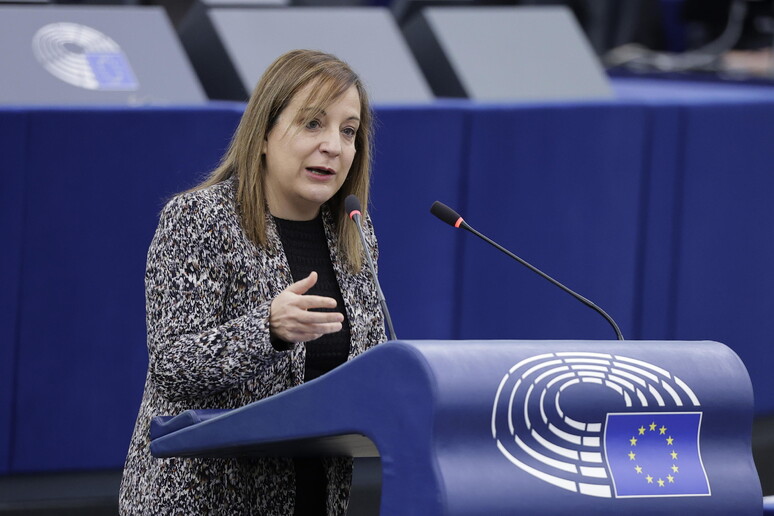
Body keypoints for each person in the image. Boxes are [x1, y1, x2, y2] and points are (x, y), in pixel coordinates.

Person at [119, 49, 387, 515]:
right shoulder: (199, 220)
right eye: (312, 124)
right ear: (264, 133)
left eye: (348, 131)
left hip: (313, 498)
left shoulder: (354, 236)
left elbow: (366, 372)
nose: (334, 145)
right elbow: (171, 364)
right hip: (203, 500)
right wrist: (267, 328)